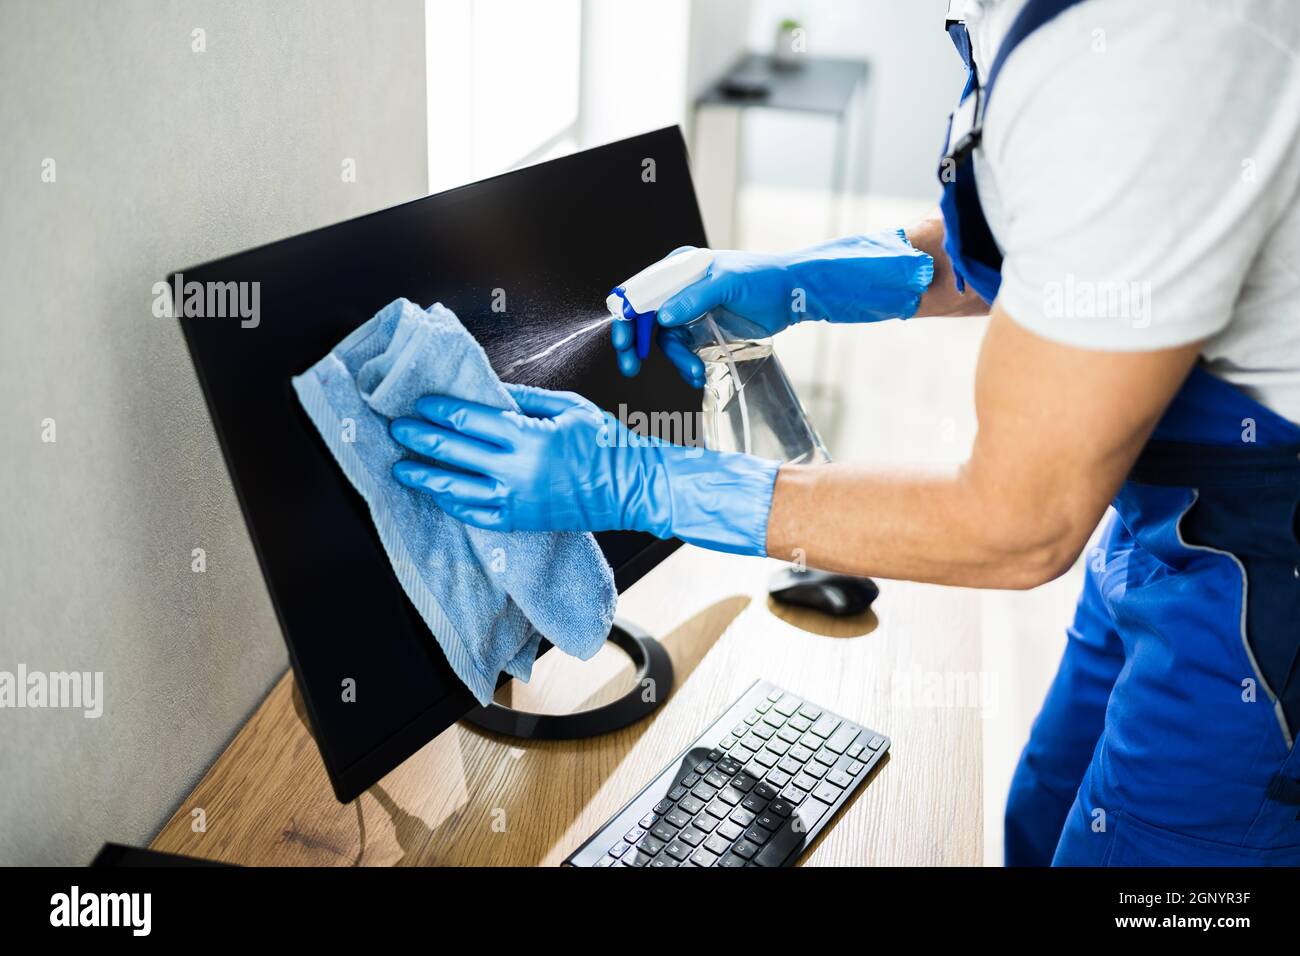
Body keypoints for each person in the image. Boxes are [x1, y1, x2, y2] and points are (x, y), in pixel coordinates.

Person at [387, 0, 1300, 865]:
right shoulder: (1032, 31)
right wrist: (794, 278)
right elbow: (1053, 247)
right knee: (1044, 811)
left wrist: (646, 483)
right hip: (1159, 523)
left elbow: (1019, 521)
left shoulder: (1152, 50)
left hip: (1256, 585)